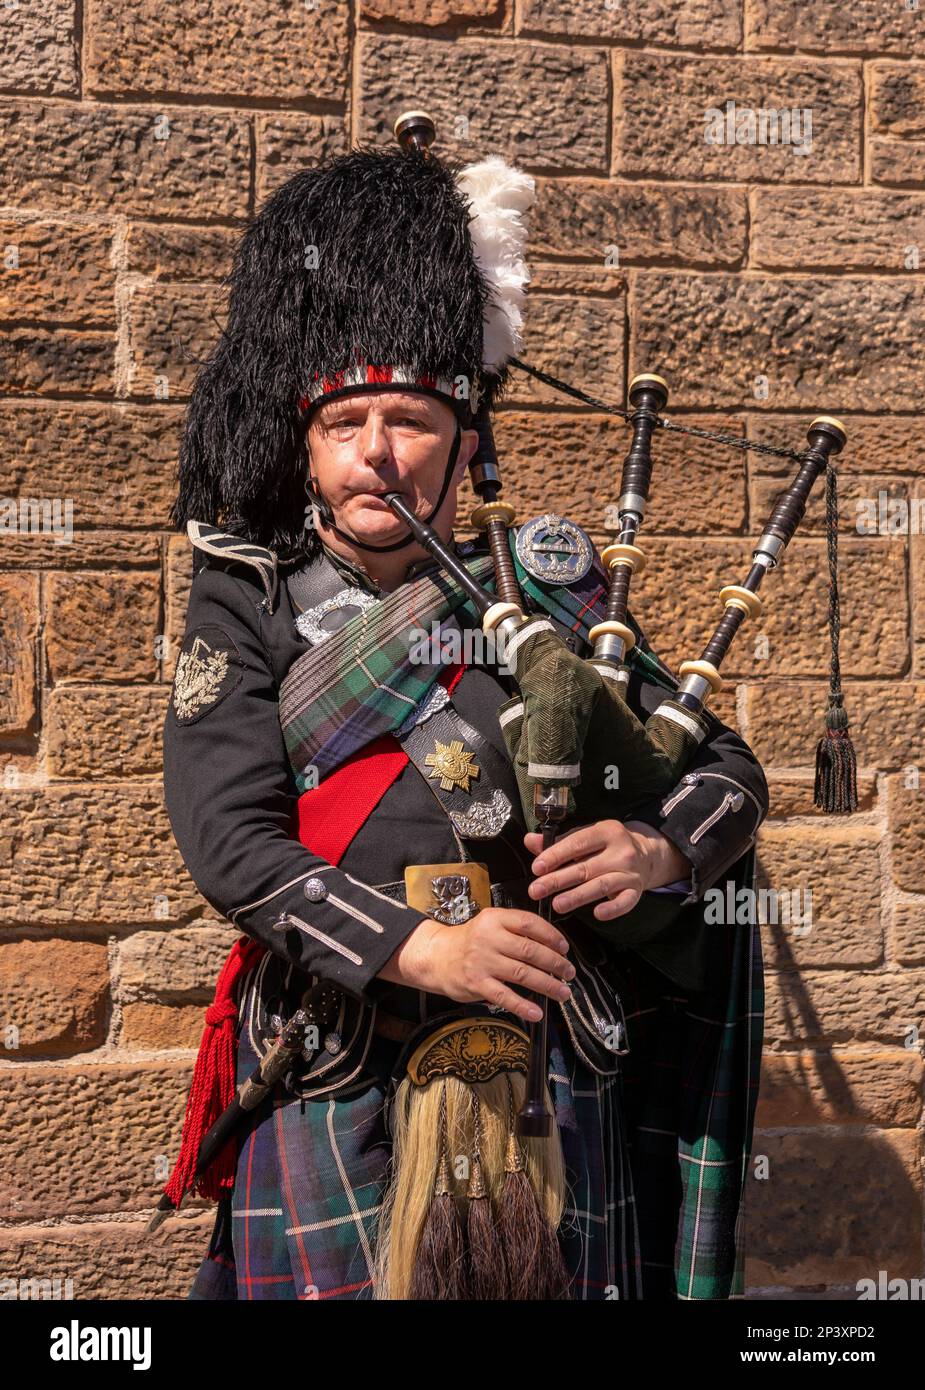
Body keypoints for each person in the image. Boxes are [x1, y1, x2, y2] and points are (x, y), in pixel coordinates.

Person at [159, 136, 769, 1301]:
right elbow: (230, 840)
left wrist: (657, 845)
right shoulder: (247, 595)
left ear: (465, 442)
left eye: (409, 420)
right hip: (338, 1047)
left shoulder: (541, 590)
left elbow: (724, 767)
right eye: (346, 426)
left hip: (542, 1053)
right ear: (308, 446)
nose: (377, 453)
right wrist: (419, 947)